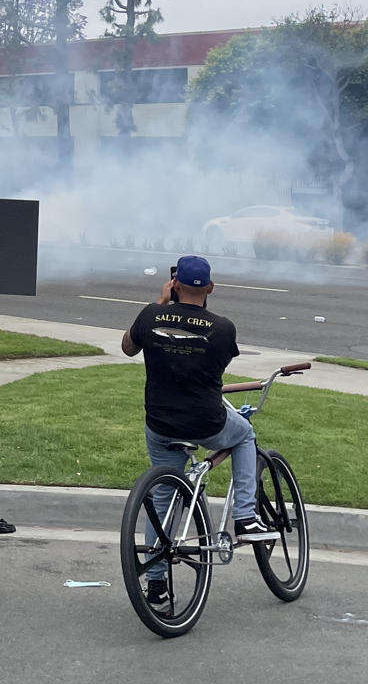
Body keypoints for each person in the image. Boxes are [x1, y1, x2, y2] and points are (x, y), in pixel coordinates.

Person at [120, 255, 270, 608]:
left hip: (160, 422)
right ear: (211, 288)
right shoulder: (223, 328)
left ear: (174, 284)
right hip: (206, 421)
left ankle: (156, 585)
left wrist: (161, 304)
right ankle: (245, 517)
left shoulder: (150, 315)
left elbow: (128, 347)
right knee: (244, 434)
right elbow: (215, 364)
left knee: (162, 498)